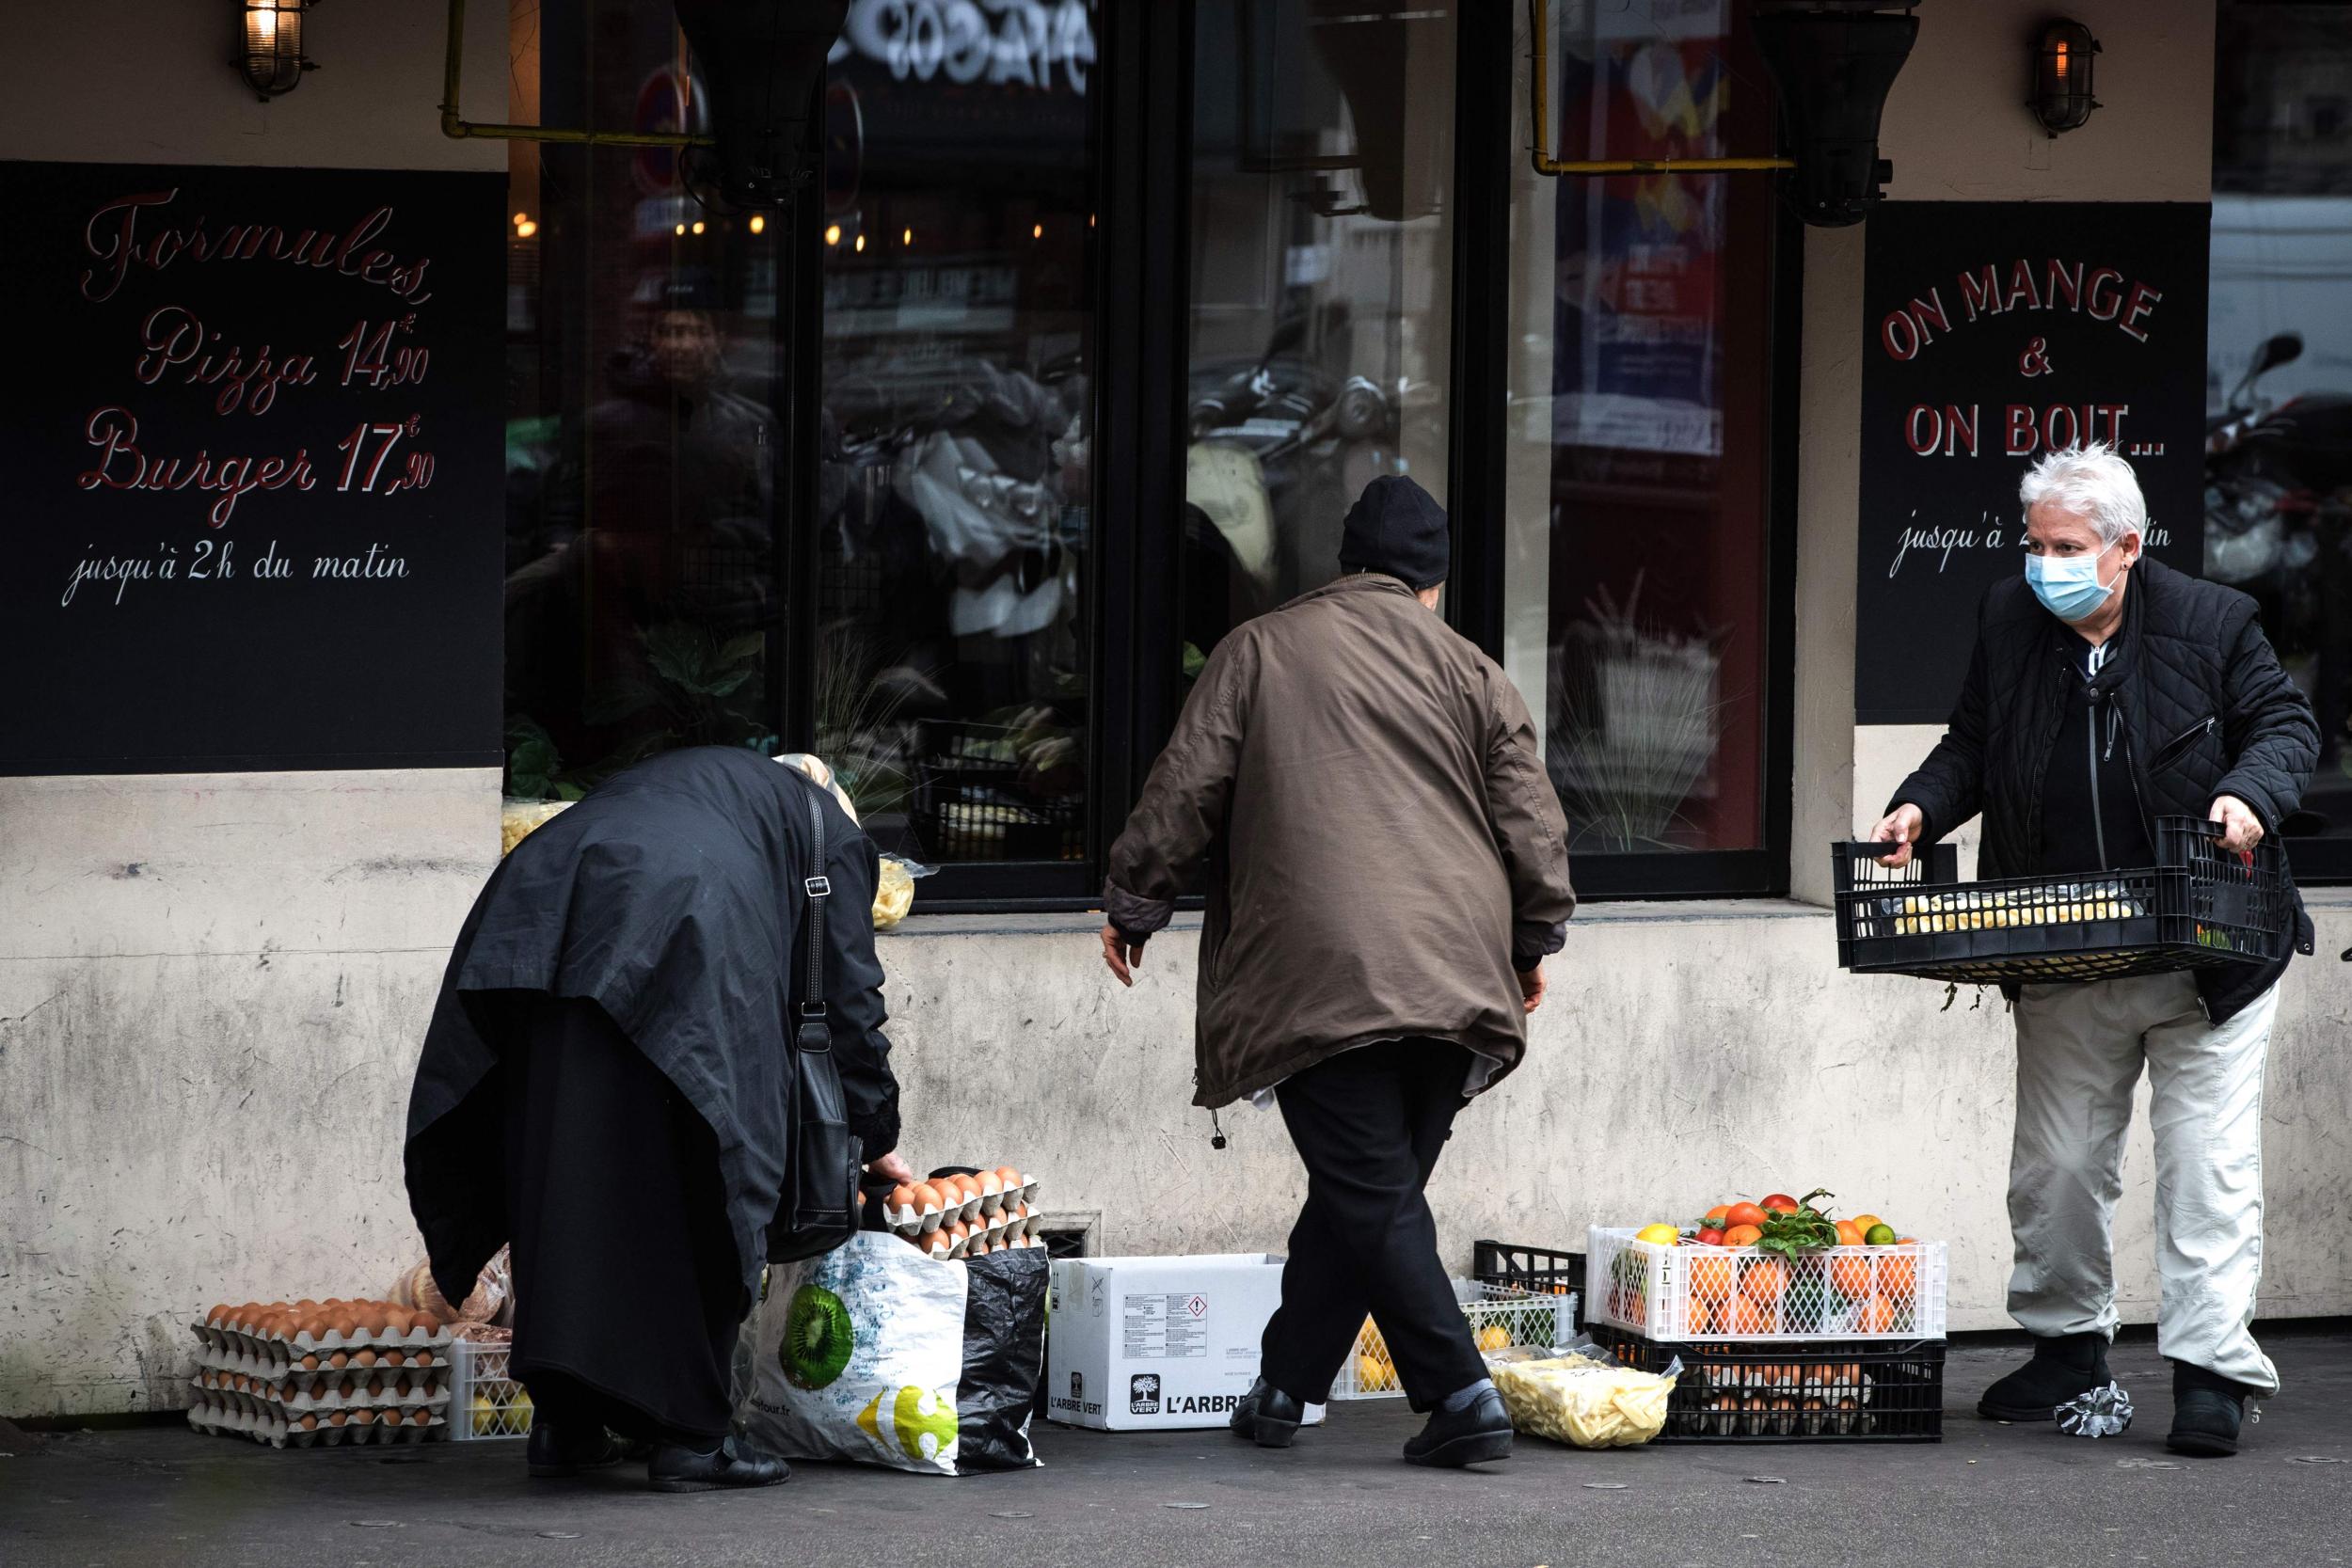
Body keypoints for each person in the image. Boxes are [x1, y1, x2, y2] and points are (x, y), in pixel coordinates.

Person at [1095, 474, 1577, 1468]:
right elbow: (1534, 823)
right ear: (1431, 586)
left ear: (1346, 566)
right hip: (1457, 968)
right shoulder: (1473, 670)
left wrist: (1137, 899)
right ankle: (1285, 1385)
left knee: (1371, 1192)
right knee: (1370, 1189)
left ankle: (1460, 1393)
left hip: (1319, 971)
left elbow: (1187, 786)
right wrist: (1532, 942)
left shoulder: (1262, 648)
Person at [1870, 443, 2317, 1458]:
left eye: (2065, 546)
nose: (2042, 564)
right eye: (2034, 544)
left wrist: (2247, 795)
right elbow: (1972, 742)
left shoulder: (2212, 620)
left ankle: (2209, 1370)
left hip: (2212, 952)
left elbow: (2285, 724)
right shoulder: (2009, 618)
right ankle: (2066, 1347)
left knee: (2205, 1171)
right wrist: (1917, 808)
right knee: (2058, 1165)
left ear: (2125, 548)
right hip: (2067, 938)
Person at [404, 748, 915, 1492]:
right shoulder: (826, 828)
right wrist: (877, 1130)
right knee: (701, 1163)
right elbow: (849, 996)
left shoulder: (702, 781)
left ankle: (565, 1423)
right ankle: (692, 1437)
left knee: (562, 1162)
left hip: (543, 902)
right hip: (679, 916)